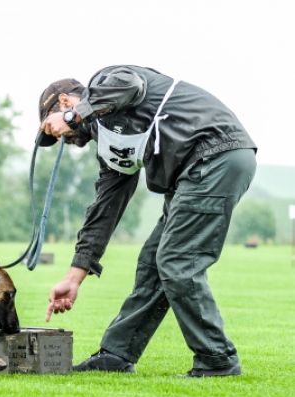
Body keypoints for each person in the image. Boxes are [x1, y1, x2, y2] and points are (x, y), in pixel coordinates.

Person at [38, 65, 256, 377]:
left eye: (53, 128)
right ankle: (116, 355)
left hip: (215, 156)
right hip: (192, 172)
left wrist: (74, 117)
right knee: (154, 262)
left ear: (64, 102)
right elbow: (105, 208)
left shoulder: (106, 82)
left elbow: (131, 85)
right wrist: (74, 277)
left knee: (177, 261)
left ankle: (217, 360)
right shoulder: (109, 140)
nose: (62, 138)